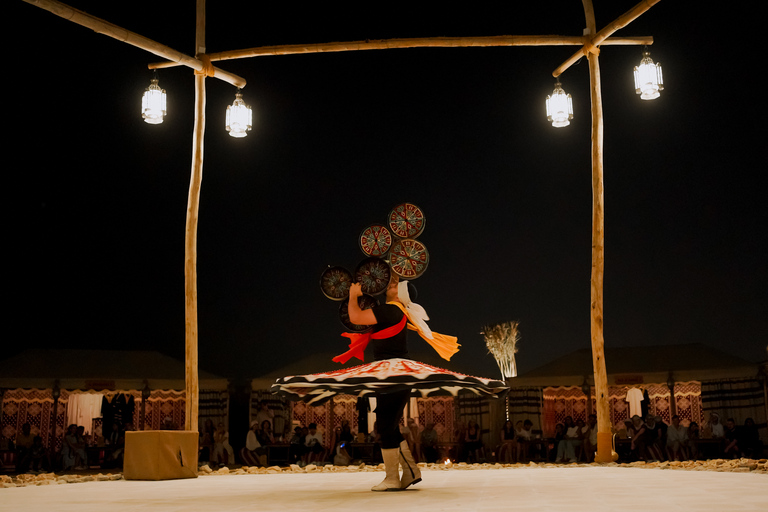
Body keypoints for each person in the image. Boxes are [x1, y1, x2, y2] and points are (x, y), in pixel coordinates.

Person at [272, 275, 506, 492]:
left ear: (401, 294)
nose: (389, 285)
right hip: (393, 374)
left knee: (385, 425)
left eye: (394, 285)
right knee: (388, 425)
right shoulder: (395, 312)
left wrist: (353, 294)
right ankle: (409, 471)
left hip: (391, 373)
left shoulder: (391, 310)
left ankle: (394, 477)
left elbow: (355, 317)